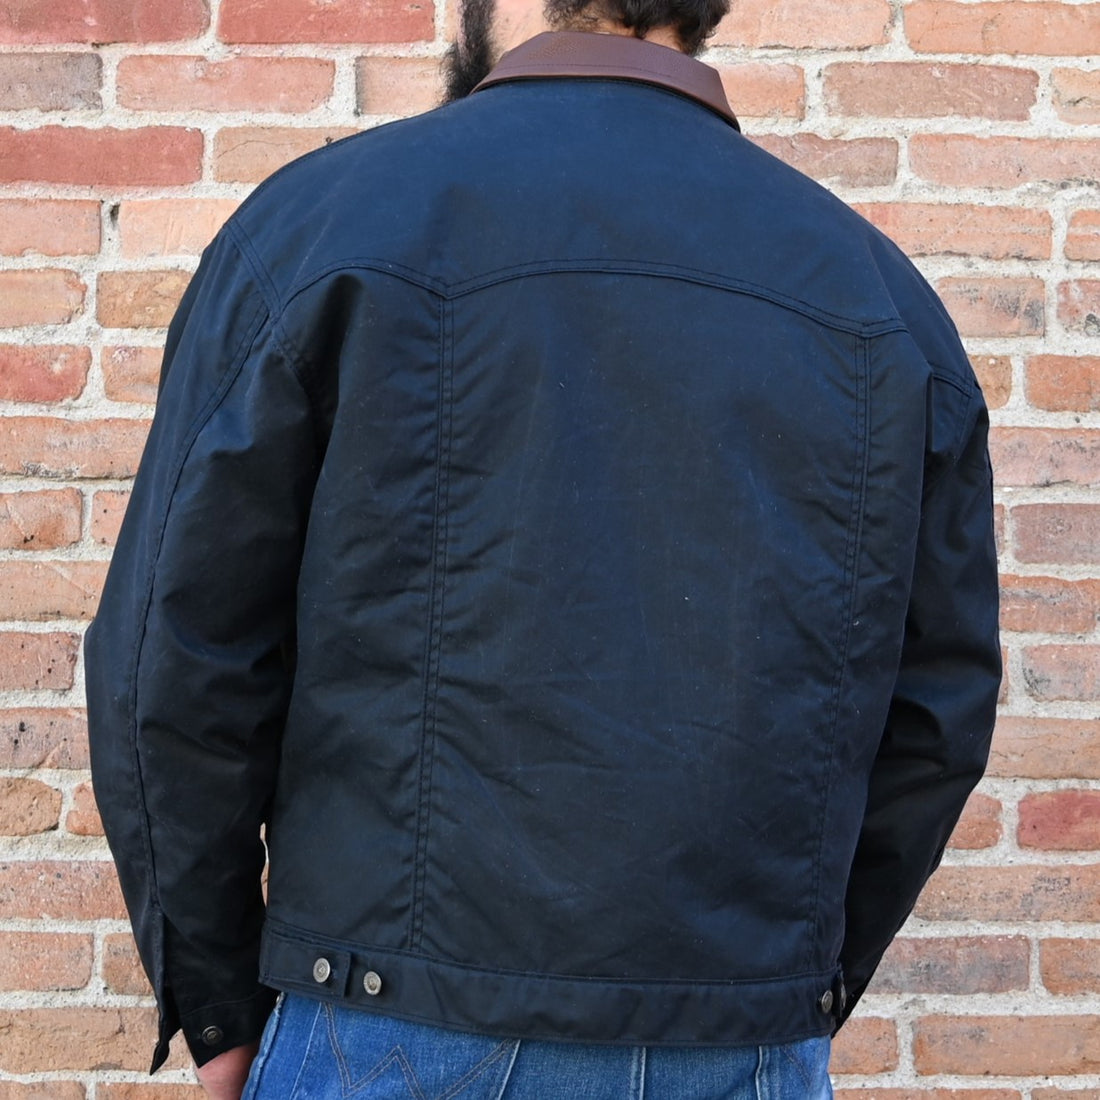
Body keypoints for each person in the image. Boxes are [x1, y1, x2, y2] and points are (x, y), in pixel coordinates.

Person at [84, 0, 1002, 1093]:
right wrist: (776, 988)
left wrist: (218, 1003)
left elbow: (170, 659)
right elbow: (933, 713)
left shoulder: (323, 229)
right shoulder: (883, 301)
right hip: (738, 1042)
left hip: (390, 1025)